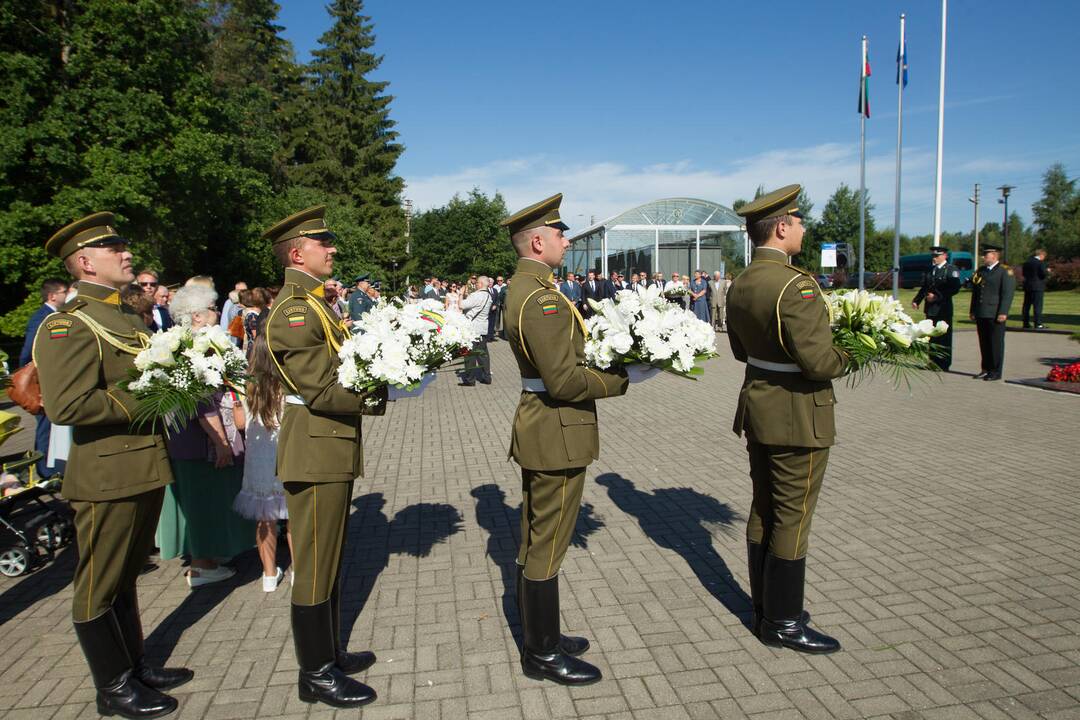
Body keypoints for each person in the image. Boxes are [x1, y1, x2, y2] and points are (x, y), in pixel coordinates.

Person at [33, 212, 190, 718]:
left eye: (124, 246)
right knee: (99, 581)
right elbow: (67, 405)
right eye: (113, 249)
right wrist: (148, 396)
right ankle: (112, 686)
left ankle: (136, 665)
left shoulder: (124, 316)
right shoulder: (68, 323)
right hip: (106, 474)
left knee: (123, 576)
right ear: (84, 262)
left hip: (142, 465)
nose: (127, 254)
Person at [500, 194, 629, 686]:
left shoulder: (530, 289)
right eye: (559, 233)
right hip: (555, 428)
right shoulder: (542, 298)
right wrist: (623, 378)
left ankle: (542, 633)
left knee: (537, 533)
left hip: (544, 427)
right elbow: (564, 382)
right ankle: (542, 652)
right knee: (548, 540)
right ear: (538, 241)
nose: (566, 239)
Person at [262, 205, 387, 708]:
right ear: (297, 253)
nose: (333, 249)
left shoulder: (313, 303)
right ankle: (315, 674)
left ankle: (328, 653)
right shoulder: (294, 309)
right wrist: (383, 390)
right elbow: (321, 388)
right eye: (323, 244)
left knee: (329, 557)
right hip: (314, 446)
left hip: (327, 445)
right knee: (314, 563)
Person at [727, 185, 847, 655]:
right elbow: (819, 363)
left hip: (759, 405)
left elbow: (739, 350)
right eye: (797, 222)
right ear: (781, 227)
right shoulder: (794, 284)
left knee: (765, 508)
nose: (801, 228)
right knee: (793, 517)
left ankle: (765, 607)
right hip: (798, 413)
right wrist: (854, 353)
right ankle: (783, 620)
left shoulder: (743, 281)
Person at [156, 284, 254, 587]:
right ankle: (202, 564)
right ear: (197, 316)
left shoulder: (184, 343)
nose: (217, 312)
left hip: (192, 438)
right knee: (203, 500)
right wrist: (221, 442)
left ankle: (212, 554)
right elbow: (200, 399)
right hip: (202, 439)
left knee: (208, 497)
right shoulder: (196, 348)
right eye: (213, 308)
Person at [234, 328, 293, 592]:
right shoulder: (287, 382)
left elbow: (238, 422)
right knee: (293, 517)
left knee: (265, 518)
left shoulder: (245, 383)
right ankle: (299, 571)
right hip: (284, 453)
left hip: (258, 458)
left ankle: (269, 574)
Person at [19, 277, 69, 479]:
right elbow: (29, 352)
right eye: (64, 291)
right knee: (45, 427)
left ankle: (49, 467)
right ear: (52, 296)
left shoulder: (53, 316)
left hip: (50, 380)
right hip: (42, 381)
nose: (67, 295)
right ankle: (45, 471)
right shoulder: (43, 318)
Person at [969, 245, 1015, 381]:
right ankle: (985, 368)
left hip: (995, 312)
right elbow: (976, 293)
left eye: (986, 255)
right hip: (982, 312)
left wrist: (1003, 312)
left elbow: (1007, 294)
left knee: (995, 343)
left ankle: (995, 371)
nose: (983, 257)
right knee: (984, 342)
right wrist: (973, 310)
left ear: (994, 256)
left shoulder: (1005, 271)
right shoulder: (981, 271)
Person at [911, 247, 961, 370]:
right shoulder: (930, 270)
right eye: (933, 256)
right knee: (931, 336)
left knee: (944, 337)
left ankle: (944, 364)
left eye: (937, 256)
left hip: (943, 308)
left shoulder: (950, 270)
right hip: (931, 309)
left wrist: (937, 297)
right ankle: (932, 362)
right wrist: (917, 300)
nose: (935, 258)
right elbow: (925, 287)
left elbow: (954, 288)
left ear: (945, 256)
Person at [460, 276, 493, 386]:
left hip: (472, 329)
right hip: (482, 328)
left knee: (469, 354)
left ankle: (470, 380)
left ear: (480, 284)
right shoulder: (489, 296)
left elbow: (461, 305)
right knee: (483, 354)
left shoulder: (476, 295)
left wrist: (460, 294)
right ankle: (487, 377)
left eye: (477, 282)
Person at [1021, 249, 1049, 329]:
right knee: (1037, 305)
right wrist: (1047, 271)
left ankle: (1025, 323)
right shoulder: (1040, 263)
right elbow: (1043, 274)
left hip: (1028, 285)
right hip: (1038, 286)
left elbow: (1024, 274)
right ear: (1041, 255)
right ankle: (1038, 323)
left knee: (1026, 305)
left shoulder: (1026, 263)